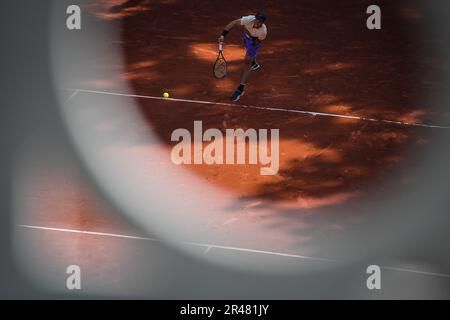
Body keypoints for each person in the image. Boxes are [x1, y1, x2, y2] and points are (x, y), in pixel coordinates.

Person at [218, 12, 268, 102]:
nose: (256, 21)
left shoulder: (263, 32)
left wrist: (249, 33)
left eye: (259, 21)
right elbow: (233, 23)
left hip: (254, 42)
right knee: (249, 58)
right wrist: (223, 35)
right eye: (256, 19)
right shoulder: (249, 19)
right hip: (246, 37)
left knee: (247, 62)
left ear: (262, 23)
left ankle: (241, 88)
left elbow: (258, 41)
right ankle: (253, 61)